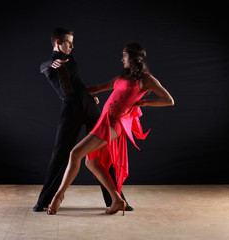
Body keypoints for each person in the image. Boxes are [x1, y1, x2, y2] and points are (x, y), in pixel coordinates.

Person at [47, 42, 175, 215]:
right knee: (92, 163)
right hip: (104, 122)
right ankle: (117, 200)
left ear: (134, 58)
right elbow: (98, 88)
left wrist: (144, 102)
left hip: (114, 124)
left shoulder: (146, 79)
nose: (121, 59)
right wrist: (72, 96)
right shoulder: (122, 77)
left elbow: (169, 100)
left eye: (124, 55)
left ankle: (58, 197)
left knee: (75, 154)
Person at [33, 27, 133, 212]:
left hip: (87, 104)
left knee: (102, 152)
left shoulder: (69, 59)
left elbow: (76, 82)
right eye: (68, 42)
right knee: (61, 154)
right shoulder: (51, 64)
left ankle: (117, 200)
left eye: (72, 42)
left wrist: (87, 95)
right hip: (71, 108)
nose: (72, 45)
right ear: (57, 42)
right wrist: (49, 62)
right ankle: (44, 201)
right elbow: (42, 67)